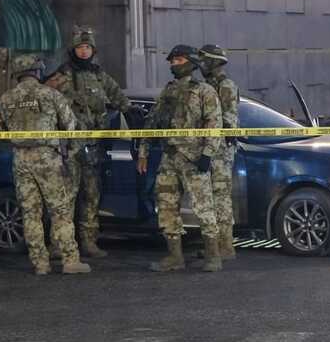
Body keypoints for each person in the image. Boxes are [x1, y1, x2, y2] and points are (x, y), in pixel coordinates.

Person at [0, 54, 91, 276]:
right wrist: (69, 152)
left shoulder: (6, 98)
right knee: (60, 210)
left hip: (20, 159)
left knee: (30, 213)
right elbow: (71, 125)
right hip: (48, 158)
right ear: (38, 72)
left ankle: (40, 263)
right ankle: (70, 260)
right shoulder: (50, 94)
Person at [50, 28, 137, 258]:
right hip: (68, 147)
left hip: (93, 146)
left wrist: (129, 110)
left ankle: (88, 241)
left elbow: (118, 96)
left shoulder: (100, 76)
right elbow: (44, 97)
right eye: (80, 47)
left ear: (93, 50)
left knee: (91, 194)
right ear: (73, 50)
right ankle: (60, 244)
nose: (84, 51)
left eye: (87, 47)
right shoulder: (62, 74)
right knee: (65, 196)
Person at [136, 45, 223, 273]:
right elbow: (152, 123)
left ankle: (213, 255)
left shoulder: (204, 91)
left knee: (204, 207)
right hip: (170, 158)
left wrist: (207, 154)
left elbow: (214, 124)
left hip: (194, 158)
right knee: (166, 206)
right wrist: (143, 151)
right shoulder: (168, 91)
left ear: (191, 62)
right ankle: (175, 256)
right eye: (172, 61)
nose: (174, 64)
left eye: (179, 60)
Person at [198, 44, 239, 261]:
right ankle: (214, 245)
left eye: (205, 61)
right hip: (206, 146)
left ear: (214, 62)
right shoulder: (205, 85)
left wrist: (223, 141)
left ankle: (225, 246)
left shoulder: (226, 86)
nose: (201, 65)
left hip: (221, 150)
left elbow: (229, 116)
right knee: (210, 199)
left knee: (221, 198)